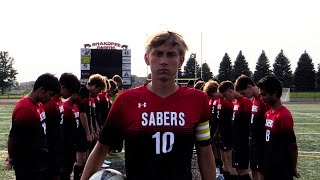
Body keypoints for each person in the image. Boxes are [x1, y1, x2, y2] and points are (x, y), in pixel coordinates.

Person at [81, 31, 216, 180]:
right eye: (158, 54)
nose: (163, 61)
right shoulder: (126, 100)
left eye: (171, 54)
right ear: (147, 58)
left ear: (181, 60)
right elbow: (101, 148)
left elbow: (205, 151)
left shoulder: (198, 100)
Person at [6, 73, 60, 180]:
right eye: (50, 94)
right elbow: (14, 138)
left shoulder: (38, 105)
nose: (51, 98)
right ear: (41, 89)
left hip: (38, 161)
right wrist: (12, 158)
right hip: (29, 165)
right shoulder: (25, 109)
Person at [257, 75, 300, 180]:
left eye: (264, 94)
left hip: (280, 168)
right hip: (269, 165)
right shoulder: (268, 113)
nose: (261, 98)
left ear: (275, 93)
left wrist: (293, 167)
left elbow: (292, 146)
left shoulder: (283, 115)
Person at [44, 72, 81, 180]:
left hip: (58, 149)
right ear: (62, 87)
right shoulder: (49, 102)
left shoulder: (59, 101)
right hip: (51, 150)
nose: (70, 95)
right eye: (70, 91)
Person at [235, 74, 270, 180]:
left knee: (262, 173)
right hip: (254, 143)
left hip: (262, 144)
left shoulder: (264, 101)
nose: (244, 96)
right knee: (254, 171)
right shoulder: (254, 100)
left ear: (250, 87)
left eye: (244, 93)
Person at [217, 81, 238, 180]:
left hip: (227, 135)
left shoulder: (227, 103)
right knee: (226, 162)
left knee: (229, 163)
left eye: (224, 95)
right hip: (225, 135)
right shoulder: (226, 102)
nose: (224, 98)